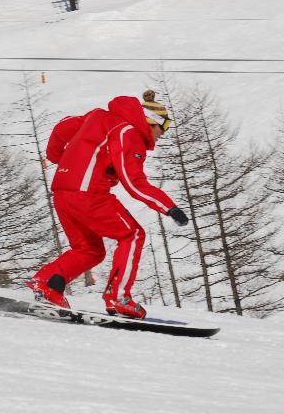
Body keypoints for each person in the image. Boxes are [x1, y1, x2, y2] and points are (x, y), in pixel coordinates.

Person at [26, 91, 188, 319]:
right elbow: (133, 182)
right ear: (151, 121)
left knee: (89, 250)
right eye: (164, 126)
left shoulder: (98, 116)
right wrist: (169, 208)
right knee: (133, 235)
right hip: (89, 195)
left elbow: (62, 128)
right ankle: (119, 298)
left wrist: (58, 157)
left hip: (62, 193)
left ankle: (47, 285)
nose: (163, 133)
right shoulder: (129, 133)